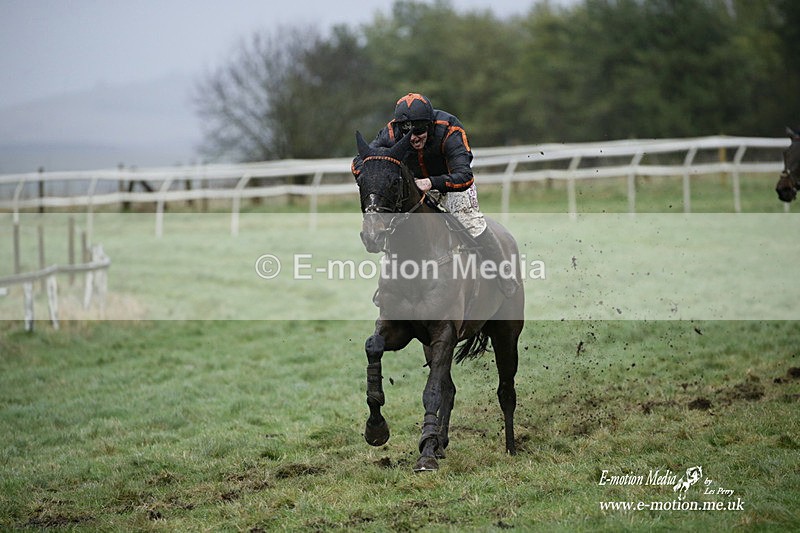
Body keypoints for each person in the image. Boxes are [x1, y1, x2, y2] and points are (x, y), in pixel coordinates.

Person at [352, 92, 517, 296]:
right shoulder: (389, 133)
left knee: (471, 221)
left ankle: (503, 275)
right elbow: (361, 161)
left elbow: (465, 176)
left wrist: (431, 182)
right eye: (407, 132)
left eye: (419, 130)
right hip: (415, 188)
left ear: (430, 125)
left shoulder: (449, 129)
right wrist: (373, 174)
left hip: (451, 185)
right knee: (396, 227)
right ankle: (388, 286)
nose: (413, 137)